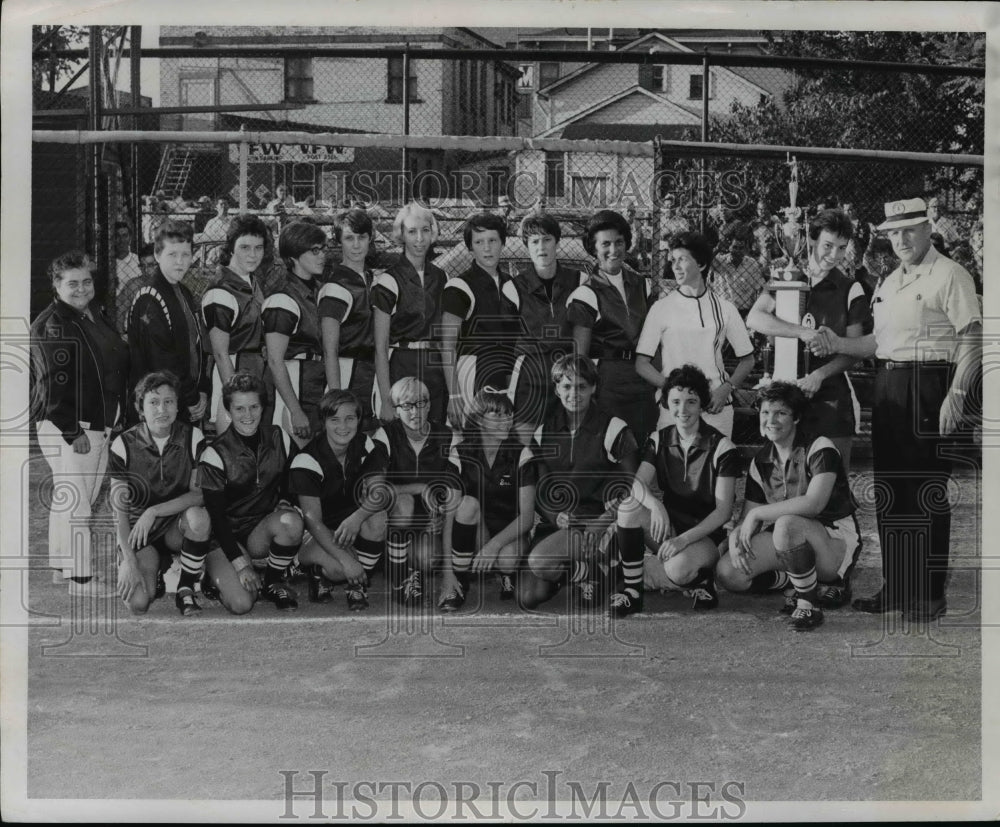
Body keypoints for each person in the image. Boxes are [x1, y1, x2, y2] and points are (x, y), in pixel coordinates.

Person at [810, 197, 981, 622]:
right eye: (894, 233)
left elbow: (972, 339)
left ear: (927, 230)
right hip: (889, 386)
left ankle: (929, 594)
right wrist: (836, 343)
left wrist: (957, 395)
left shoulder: (951, 274)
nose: (902, 239)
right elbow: (876, 345)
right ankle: (898, 586)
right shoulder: (888, 282)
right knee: (892, 491)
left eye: (910, 230)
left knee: (925, 491)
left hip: (931, 384)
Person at [716, 382, 860, 631]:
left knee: (786, 524)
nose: (771, 420)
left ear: (797, 418)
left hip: (834, 540)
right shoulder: (761, 460)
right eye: (765, 413)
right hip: (791, 542)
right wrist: (735, 538)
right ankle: (798, 581)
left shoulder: (819, 446)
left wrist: (759, 513)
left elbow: (814, 504)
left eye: (780, 413)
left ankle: (808, 602)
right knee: (729, 573)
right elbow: (747, 518)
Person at [31, 250, 129, 598]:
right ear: (57, 285)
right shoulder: (55, 323)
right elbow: (52, 383)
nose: (81, 288)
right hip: (71, 425)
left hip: (94, 422)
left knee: (68, 496)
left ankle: (62, 567)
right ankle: (81, 580)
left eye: (86, 281)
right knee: (78, 503)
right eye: (72, 283)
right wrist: (73, 432)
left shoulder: (90, 314)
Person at [747, 208, 872, 474]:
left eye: (841, 248)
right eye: (828, 246)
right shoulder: (787, 278)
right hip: (786, 394)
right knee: (789, 479)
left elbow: (855, 349)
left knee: (833, 480)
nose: (834, 255)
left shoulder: (851, 288)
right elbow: (755, 318)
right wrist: (801, 332)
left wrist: (819, 374)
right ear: (811, 240)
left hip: (829, 395)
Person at [616, 365, 742, 616]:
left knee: (678, 569)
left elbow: (723, 512)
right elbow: (637, 484)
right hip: (670, 528)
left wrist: (683, 540)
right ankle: (632, 592)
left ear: (702, 404)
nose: (682, 410)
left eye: (691, 401)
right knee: (628, 506)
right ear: (666, 403)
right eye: (676, 401)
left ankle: (699, 578)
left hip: (705, 536)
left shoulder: (722, 447)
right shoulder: (659, 438)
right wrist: (656, 505)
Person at [519, 355, 640, 612]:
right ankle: (586, 570)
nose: (574, 393)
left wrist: (604, 520)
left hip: (602, 524)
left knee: (545, 565)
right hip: (564, 523)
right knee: (529, 596)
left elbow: (632, 486)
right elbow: (541, 490)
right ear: (556, 389)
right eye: (567, 386)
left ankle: (605, 563)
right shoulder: (544, 432)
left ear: (594, 387)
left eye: (582, 386)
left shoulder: (613, 427)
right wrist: (555, 516)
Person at [197, 372, 304, 613]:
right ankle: (212, 579)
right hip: (224, 538)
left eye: (254, 406)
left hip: (259, 530)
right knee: (242, 603)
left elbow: (296, 477)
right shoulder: (215, 453)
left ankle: (272, 581)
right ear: (228, 411)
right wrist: (240, 564)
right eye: (240, 408)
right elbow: (216, 518)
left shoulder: (279, 438)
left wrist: (286, 498)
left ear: (263, 407)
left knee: (291, 522)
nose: (248, 415)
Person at [109, 372, 211, 616]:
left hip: (176, 526)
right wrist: (129, 560)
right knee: (138, 603)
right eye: (153, 402)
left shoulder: (194, 437)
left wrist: (153, 511)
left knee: (199, 518)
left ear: (178, 407)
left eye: (169, 402)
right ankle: (158, 568)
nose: (162, 409)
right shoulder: (123, 444)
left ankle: (186, 587)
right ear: (140, 408)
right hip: (140, 534)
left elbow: (199, 496)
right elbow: (119, 513)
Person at [635, 231, 755, 438]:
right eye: (673, 260)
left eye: (682, 259)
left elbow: (748, 360)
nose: (675, 266)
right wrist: (672, 389)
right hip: (674, 411)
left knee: (714, 468)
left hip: (715, 407)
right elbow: (641, 364)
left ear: (700, 264)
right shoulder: (661, 307)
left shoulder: (725, 308)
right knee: (671, 468)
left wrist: (725, 389)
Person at [367, 377, 463, 608]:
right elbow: (374, 489)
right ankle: (401, 581)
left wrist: (439, 510)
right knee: (405, 501)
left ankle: (410, 567)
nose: (415, 411)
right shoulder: (385, 436)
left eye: (421, 403)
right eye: (407, 405)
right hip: (393, 518)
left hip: (429, 521)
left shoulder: (449, 437)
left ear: (430, 405)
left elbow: (454, 495)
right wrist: (419, 487)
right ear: (396, 409)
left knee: (428, 558)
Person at [287, 390, 387, 610]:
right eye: (335, 419)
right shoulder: (307, 459)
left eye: (350, 418)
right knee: (339, 569)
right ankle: (309, 566)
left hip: (348, 525)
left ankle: (356, 585)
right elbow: (313, 521)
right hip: (314, 531)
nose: (343, 426)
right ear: (323, 422)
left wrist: (357, 518)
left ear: (359, 420)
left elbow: (379, 493)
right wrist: (346, 561)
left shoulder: (366, 445)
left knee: (378, 516)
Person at [567, 209, 656, 443]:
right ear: (593, 248)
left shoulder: (642, 285)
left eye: (619, 242)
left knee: (644, 448)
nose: (614, 250)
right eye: (605, 244)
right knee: (614, 448)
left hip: (643, 377)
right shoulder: (585, 294)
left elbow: (656, 338)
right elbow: (580, 358)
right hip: (609, 381)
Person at [446, 388, 538, 610]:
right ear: (478, 419)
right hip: (475, 532)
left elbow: (527, 517)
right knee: (468, 504)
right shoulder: (460, 452)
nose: (506, 420)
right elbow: (449, 515)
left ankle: (506, 574)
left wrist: (493, 546)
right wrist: (447, 571)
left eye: (508, 414)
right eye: (497, 415)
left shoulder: (521, 453)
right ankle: (459, 580)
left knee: (506, 559)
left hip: (510, 532)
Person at [502, 211, 587, 444]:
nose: (542, 247)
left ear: (557, 242)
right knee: (525, 446)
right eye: (534, 241)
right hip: (530, 377)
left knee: (566, 443)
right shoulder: (513, 288)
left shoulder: (579, 281)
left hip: (567, 376)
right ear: (527, 247)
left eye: (547, 239)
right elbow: (506, 346)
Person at [371, 202, 449, 426]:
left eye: (425, 230)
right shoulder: (389, 280)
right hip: (403, 363)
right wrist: (387, 400)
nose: (419, 238)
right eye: (412, 231)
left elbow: (445, 338)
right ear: (401, 235)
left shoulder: (441, 276)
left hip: (435, 367)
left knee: (434, 434)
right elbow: (380, 345)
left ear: (433, 233)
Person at [127, 220, 209, 427]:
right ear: (157, 255)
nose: (180, 262)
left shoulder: (184, 292)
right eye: (172, 255)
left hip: (182, 398)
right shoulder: (149, 297)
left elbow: (195, 348)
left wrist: (203, 390)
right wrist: (191, 397)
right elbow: (162, 359)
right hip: (158, 406)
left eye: (186, 255)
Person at [440, 212, 518, 428]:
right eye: (479, 242)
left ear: (503, 243)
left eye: (492, 240)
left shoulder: (511, 285)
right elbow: (447, 346)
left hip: (504, 374)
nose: (487, 248)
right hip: (472, 374)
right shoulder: (459, 287)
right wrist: (454, 396)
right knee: (470, 444)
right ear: (470, 248)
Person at [263, 220, 328, 448]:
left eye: (323, 249)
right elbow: (274, 359)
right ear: (294, 256)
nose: (322, 256)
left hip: (315, 385)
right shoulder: (283, 299)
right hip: (294, 388)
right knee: (295, 465)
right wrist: (295, 410)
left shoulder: (320, 290)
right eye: (314, 251)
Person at [201, 214, 267, 433]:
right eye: (245, 247)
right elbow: (220, 354)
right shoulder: (221, 290)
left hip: (253, 377)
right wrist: (236, 400)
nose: (253, 254)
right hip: (232, 382)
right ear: (231, 248)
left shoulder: (251, 281)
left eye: (258, 248)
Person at [318, 209, 379, 431]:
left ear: (370, 238)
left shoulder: (372, 278)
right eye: (349, 238)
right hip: (346, 372)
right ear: (338, 241)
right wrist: (337, 396)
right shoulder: (336, 285)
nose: (356, 245)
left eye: (361, 237)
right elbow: (329, 350)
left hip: (370, 371)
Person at [709, 226, 768, 317]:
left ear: (746, 249)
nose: (738, 251)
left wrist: (755, 311)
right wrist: (718, 248)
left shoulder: (752, 264)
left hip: (745, 312)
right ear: (729, 248)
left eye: (741, 248)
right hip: (723, 311)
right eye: (735, 247)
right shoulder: (720, 261)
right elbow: (703, 262)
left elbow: (759, 288)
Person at [115, 243, 158, 340]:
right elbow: (119, 311)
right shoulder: (133, 285)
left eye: (151, 265)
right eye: (142, 266)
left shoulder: (169, 284)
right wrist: (121, 336)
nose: (146, 270)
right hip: (139, 337)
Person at [113, 221, 141, 335]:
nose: (121, 240)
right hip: (114, 315)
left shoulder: (138, 261)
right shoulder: (109, 264)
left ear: (130, 238)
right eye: (117, 236)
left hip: (136, 317)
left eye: (125, 236)